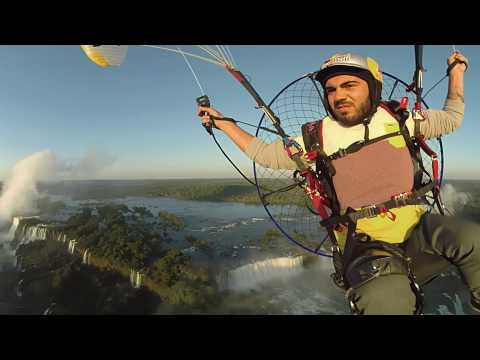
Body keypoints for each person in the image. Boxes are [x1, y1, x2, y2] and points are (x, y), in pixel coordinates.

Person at [197, 50, 479, 315]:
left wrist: (457, 73)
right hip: (366, 244)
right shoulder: (316, 138)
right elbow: (265, 154)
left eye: (349, 85)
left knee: (472, 238)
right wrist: (223, 123)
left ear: (372, 87)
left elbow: (452, 118)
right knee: (385, 299)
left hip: (420, 229)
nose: (339, 95)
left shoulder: (400, 118)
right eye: (331, 90)